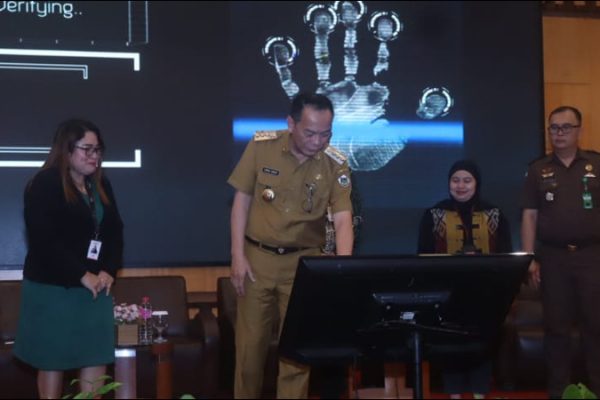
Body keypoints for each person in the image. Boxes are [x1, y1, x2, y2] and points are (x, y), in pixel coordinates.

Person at [228, 92, 354, 398]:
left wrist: (342, 271)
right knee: (249, 354)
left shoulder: (335, 163)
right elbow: (241, 201)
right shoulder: (261, 147)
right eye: (310, 133)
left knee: (297, 357)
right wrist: (237, 255)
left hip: (303, 266)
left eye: (325, 134)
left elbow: (343, 219)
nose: (317, 142)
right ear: (291, 124)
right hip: (257, 261)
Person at [14, 119, 124, 398]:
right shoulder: (44, 184)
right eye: (87, 149)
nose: (94, 156)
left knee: (95, 358)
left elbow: (115, 232)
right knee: (52, 361)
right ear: (67, 150)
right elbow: (44, 240)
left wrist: (108, 270)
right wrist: (81, 274)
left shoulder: (101, 185)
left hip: (95, 291)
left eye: (97, 150)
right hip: (53, 292)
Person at [521, 105, 600, 398]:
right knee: (556, 330)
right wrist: (529, 258)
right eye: (554, 127)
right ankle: (558, 392)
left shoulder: (596, 164)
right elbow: (529, 216)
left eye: (566, 127)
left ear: (579, 130)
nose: (559, 133)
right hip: (553, 259)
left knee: (596, 327)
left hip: (593, 256)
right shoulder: (537, 169)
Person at [418, 159, 512, 399]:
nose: (460, 186)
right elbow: (423, 257)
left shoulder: (494, 214)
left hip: (487, 294)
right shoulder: (434, 214)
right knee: (451, 346)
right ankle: (454, 394)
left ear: (476, 183)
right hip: (447, 295)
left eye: (467, 181)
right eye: (455, 180)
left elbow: (506, 256)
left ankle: (480, 393)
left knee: (482, 344)